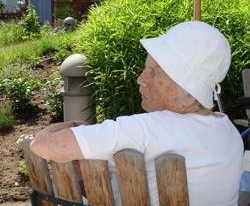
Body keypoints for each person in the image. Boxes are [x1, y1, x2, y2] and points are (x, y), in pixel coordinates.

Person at [30, 21, 244, 206]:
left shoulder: (148, 130)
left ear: (185, 88)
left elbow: (42, 145)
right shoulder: (231, 135)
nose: (141, 79)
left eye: (154, 72)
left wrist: (75, 126)